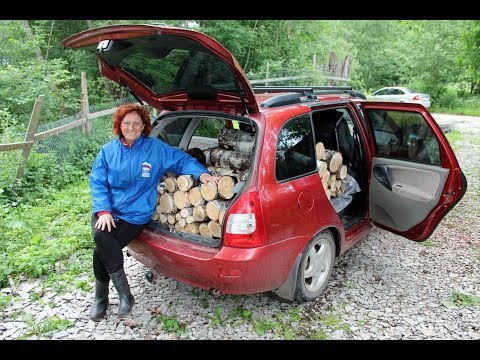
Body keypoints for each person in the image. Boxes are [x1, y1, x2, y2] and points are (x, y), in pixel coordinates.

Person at [89, 103, 218, 321]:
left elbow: (182, 160)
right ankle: (118, 296)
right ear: (119, 125)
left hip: (135, 214)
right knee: (102, 239)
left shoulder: (155, 149)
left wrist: (202, 174)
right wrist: (103, 211)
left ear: (143, 127)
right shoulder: (108, 152)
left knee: (102, 243)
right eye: (126, 123)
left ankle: (104, 298)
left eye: (136, 124)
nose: (131, 127)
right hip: (108, 211)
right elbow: (98, 183)